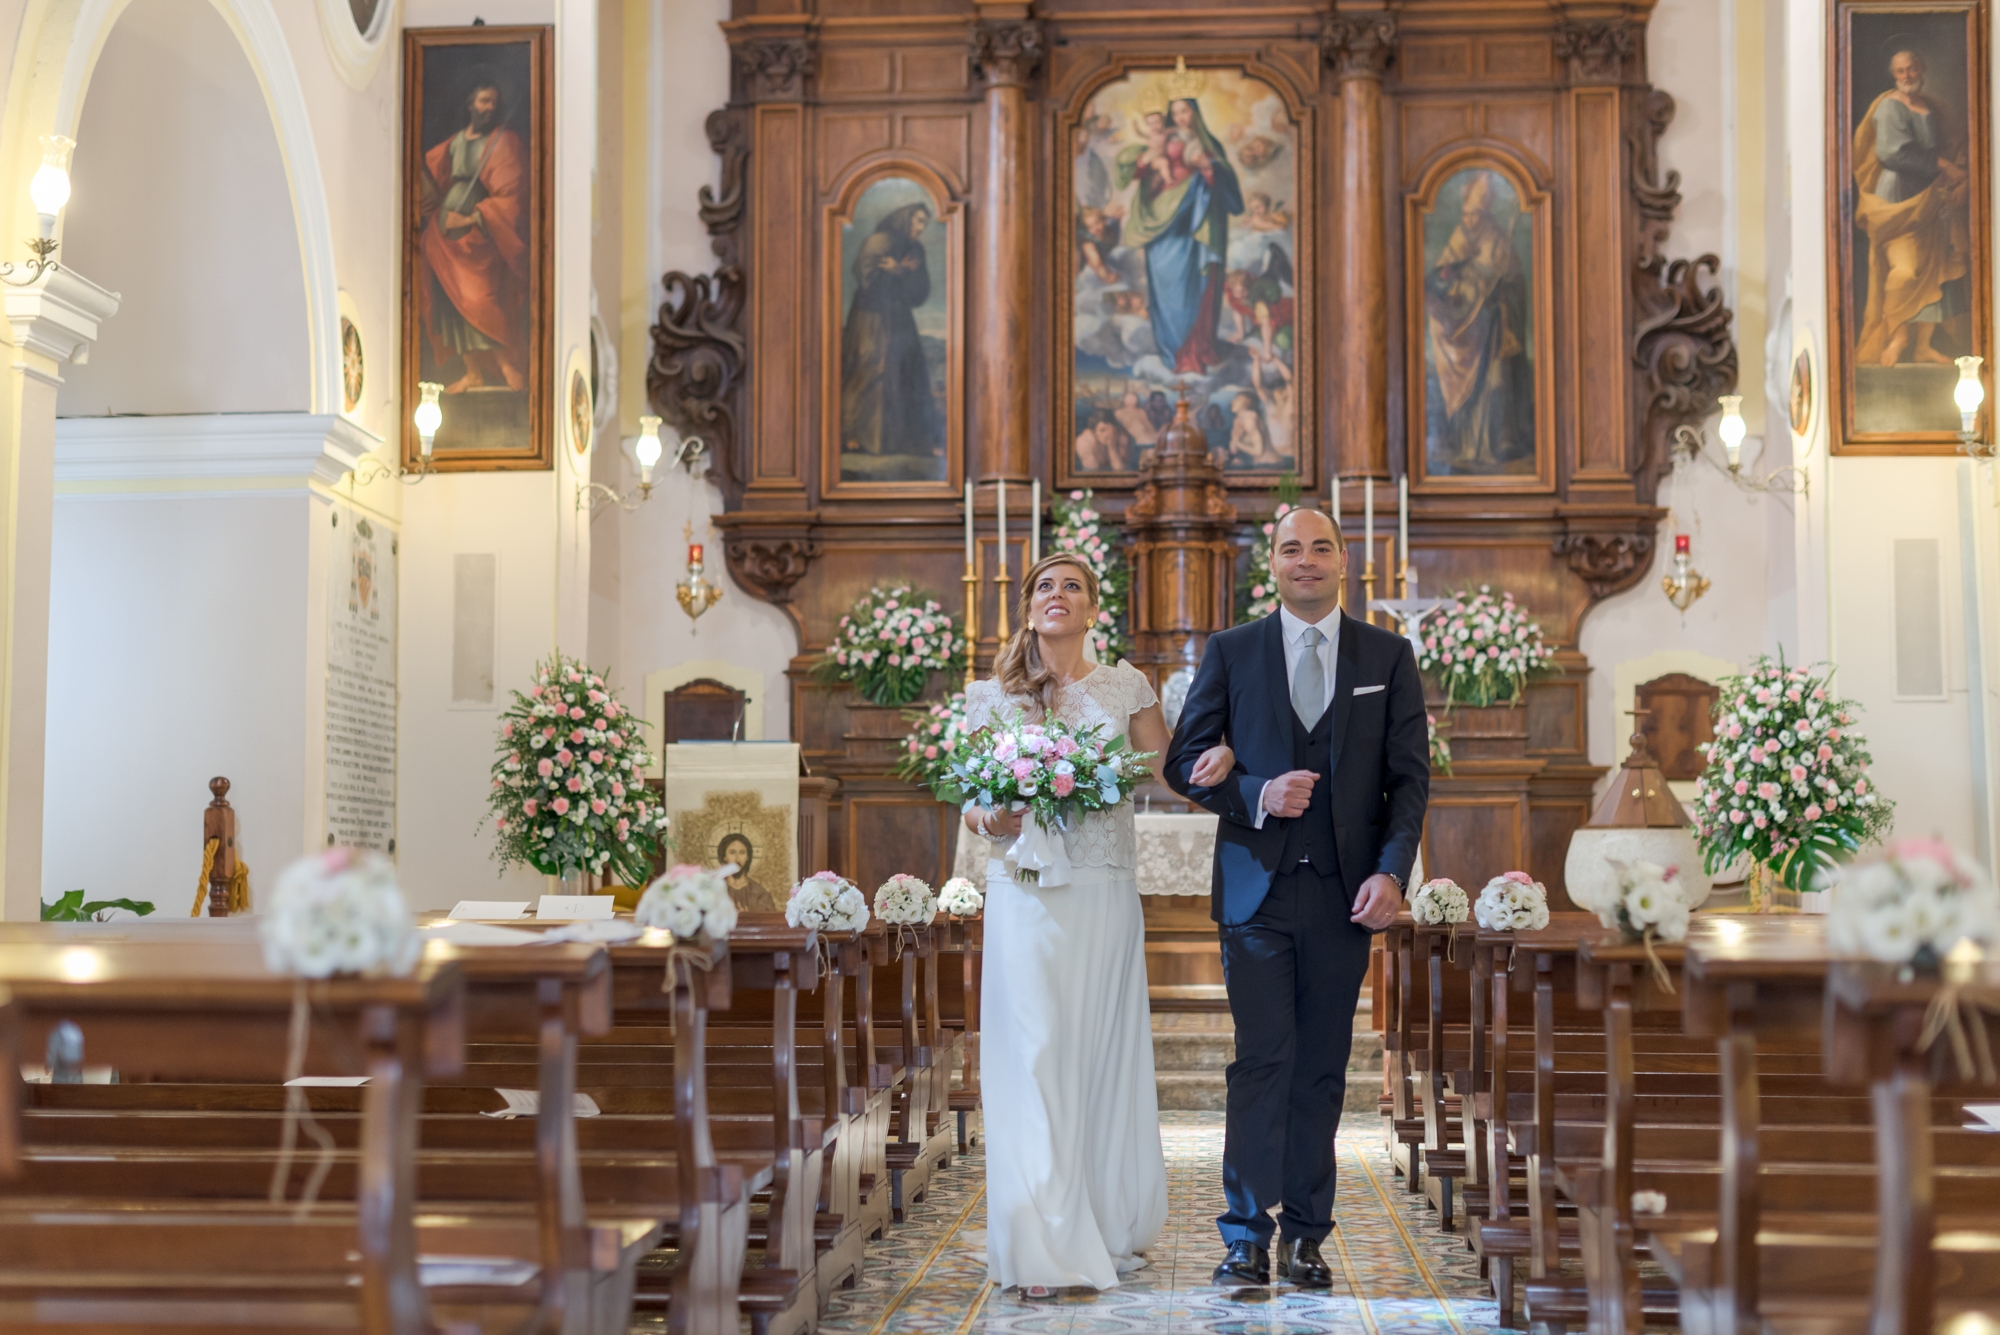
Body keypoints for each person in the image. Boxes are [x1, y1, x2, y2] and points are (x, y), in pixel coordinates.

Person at [1164, 508, 1429, 1288]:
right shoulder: (1232, 650)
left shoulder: (1388, 653)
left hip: (1346, 894)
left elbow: (1409, 779)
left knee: (1320, 1065)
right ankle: (1245, 1232)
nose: (1305, 560)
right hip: (1258, 892)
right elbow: (1184, 760)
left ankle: (1307, 1234)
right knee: (1261, 1061)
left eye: (1320, 547)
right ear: (1271, 565)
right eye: (1291, 549)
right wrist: (1253, 791)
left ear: (1344, 560)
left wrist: (1391, 872)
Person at [963, 553, 1236, 1299]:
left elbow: (1173, 766)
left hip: (1104, 891)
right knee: (1035, 1055)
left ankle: (1104, 1220)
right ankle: (1041, 1240)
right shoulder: (989, 698)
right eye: (1045, 586)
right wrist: (994, 813)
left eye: (1072, 586)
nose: (1058, 595)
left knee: (1098, 1054)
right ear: (1027, 608)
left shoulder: (1124, 685)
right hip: (1023, 892)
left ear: (1091, 609)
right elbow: (971, 803)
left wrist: (1231, 756)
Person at [1853, 48, 1970, 367]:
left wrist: (1955, 174)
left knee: (1935, 269)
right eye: (1901, 71)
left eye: (1912, 69)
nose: (1907, 76)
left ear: (1922, 69)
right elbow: (1893, 154)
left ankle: (1923, 346)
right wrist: (1945, 165)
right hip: (1900, 198)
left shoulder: (1931, 107)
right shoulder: (1890, 106)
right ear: (1894, 75)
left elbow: (1951, 142)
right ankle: (1898, 337)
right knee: (1904, 272)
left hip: (1932, 195)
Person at [1116, 96, 1244, 374]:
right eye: (1175, 113)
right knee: (1169, 291)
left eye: (1185, 111)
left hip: (1198, 229)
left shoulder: (1210, 146)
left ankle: (1199, 350)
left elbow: (1229, 189)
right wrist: (1148, 162)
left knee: (1199, 285)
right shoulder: (1163, 141)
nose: (1181, 117)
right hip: (1165, 231)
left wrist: (1209, 169)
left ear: (1195, 113)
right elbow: (1139, 171)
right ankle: (1174, 351)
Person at [418, 79, 530, 394]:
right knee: (448, 302)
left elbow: (511, 198)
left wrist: (469, 218)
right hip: (444, 236)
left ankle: (507, 366)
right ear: (470, 104)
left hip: (479, 235)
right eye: (483, 101)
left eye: (493, 102)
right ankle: (473, 372)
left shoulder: (502, 142)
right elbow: (430, 175)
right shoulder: (454, 143)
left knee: (477, 299)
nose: (488, 107)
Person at [1423, 171, 1534, 473]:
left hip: (1495, 332)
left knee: (1494, 386)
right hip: (1467, 334)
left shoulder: (1498, 241)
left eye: (1474, 214)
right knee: (1466, 391)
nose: (1469, 220)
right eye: (1465, 213)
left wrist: (1499, 284)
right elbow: (1443, 277)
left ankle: (1493, 444)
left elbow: (1509, 285)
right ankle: (1465, 445)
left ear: (1485, 214)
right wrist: (1450, 281)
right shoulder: (1461, 236)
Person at [840, 203, 942, 461]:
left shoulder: (915, 250)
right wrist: (897, 274)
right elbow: (866, 279)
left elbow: (920, 293)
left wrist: (901, 273)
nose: (920, 229)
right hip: (870, 318)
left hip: (899, 320)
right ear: (905, 218)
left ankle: (903, 440)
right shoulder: (879, 241)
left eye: (924, 224)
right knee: (869, 371)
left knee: (906, 373)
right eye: (918, 221)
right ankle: (855, 436)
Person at [716, 832, 774, 912]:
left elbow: (768, 921)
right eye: (732, 852)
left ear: (747, 857)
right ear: (724, 857)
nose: (737, 859)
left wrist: (748, 918)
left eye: (742, 853)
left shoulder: (760, 894)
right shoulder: (715, 890)